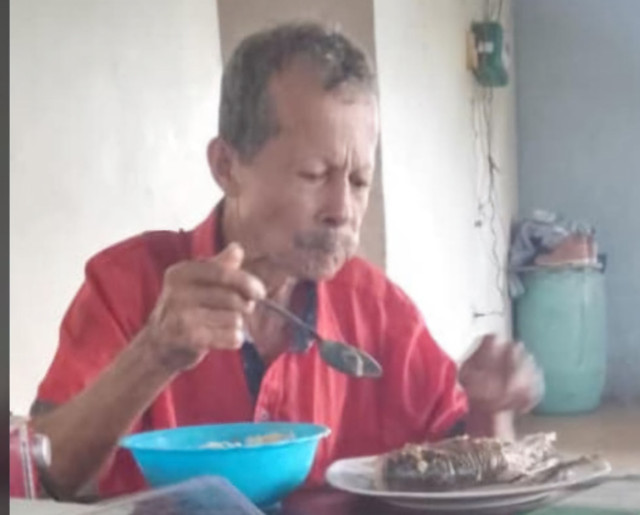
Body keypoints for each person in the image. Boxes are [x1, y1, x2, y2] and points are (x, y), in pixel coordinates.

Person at [30, 22, 542, 501]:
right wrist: (155, 353)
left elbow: (469, 478)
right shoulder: (126, 284)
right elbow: (47, 475)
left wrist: (490, 410)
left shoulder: (380, 312)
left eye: (359, 181)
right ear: (227, 166)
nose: (342, 210)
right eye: (314, 175)